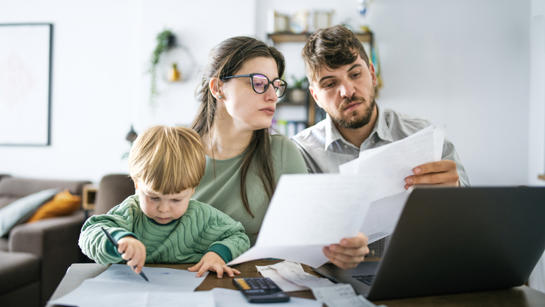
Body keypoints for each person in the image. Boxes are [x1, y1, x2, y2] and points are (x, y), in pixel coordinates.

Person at [292, 25, 470, 259]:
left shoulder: (425, 137)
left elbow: (468, 220)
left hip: (416, 271)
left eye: (355, 74)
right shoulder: (300, 152)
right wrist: (326, 250)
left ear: (373, 75)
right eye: (329, 84)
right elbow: (296, 234)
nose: (347, 91)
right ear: (316, 96)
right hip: (333, 279)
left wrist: (455, 193)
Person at [191, 36, 370, 269]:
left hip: (251, 283)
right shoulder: (174, 150)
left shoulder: (283, 152)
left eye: (275, 85)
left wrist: (341, 245)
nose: (272, 96)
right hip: (178, 279)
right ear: (218, 88)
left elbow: (307, 234)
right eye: (258, 83)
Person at [79, 126, 250, 278]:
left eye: (176, 199)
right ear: (137, 184)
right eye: (153, 197)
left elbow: (239, 236)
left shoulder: (201, 216)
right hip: (132, 291)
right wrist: (119, 242)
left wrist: (218, 254)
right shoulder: (131, 211)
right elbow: (89, 233)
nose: (164, 208)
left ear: (192, 190)